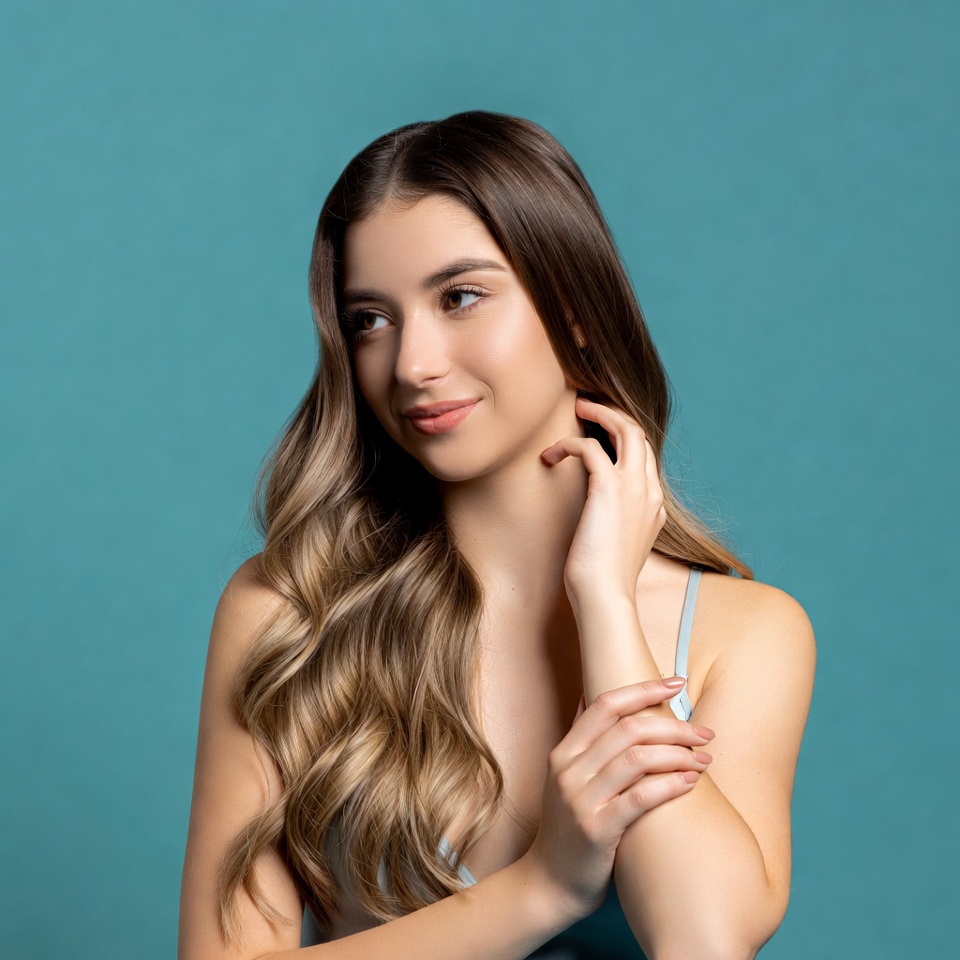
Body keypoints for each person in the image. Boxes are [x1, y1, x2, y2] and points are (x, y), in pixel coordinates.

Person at [178, 111, 815, 960]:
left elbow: (702, 940)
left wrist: (605, 601)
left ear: (575, 307)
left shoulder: (749, 634)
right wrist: (541, 888)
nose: (413, 364)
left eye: (460, 297)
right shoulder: (288, 612)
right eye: (370, 319)